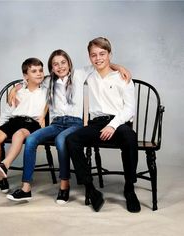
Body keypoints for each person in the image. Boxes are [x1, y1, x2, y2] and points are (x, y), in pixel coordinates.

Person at [6, 49, 131, 204]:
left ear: (69, 63)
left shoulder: (79, 74)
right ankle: (26, 189)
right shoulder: (48, 80)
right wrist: (16, 87)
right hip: (57, 123)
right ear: (51, 68)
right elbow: (31, 79)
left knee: (61, 140)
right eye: (55, 64)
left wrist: (119, 68)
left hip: (75, 123)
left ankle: (64, 185)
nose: (60, 67)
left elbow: (100, 64)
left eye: (63, 62)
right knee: (31, 139)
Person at [66, 37, 141, 213]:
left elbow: (130, 109)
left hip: (119, 122)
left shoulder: (123, 78)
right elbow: (57, 74)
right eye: (94, 55)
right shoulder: (86, 73)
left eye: (102, 54)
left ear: (110, 54)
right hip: (96, 124)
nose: (98, 58)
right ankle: (91, 189)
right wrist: (20, 86)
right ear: (89, 57)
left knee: (130, 137)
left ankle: (129, 188)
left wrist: (113, 125)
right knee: (72, 140)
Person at [0, 58, 48, 194]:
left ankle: (5, 165)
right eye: (34, 71)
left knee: (18, 134)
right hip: (14, 120)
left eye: (40, 70)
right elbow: (7, 113)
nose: (39, 73)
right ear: (26, 76)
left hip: (31, 123)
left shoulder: (46, 90)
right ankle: (0, 176)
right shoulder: (19, 92)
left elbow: (54, 77)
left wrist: (17, 85)